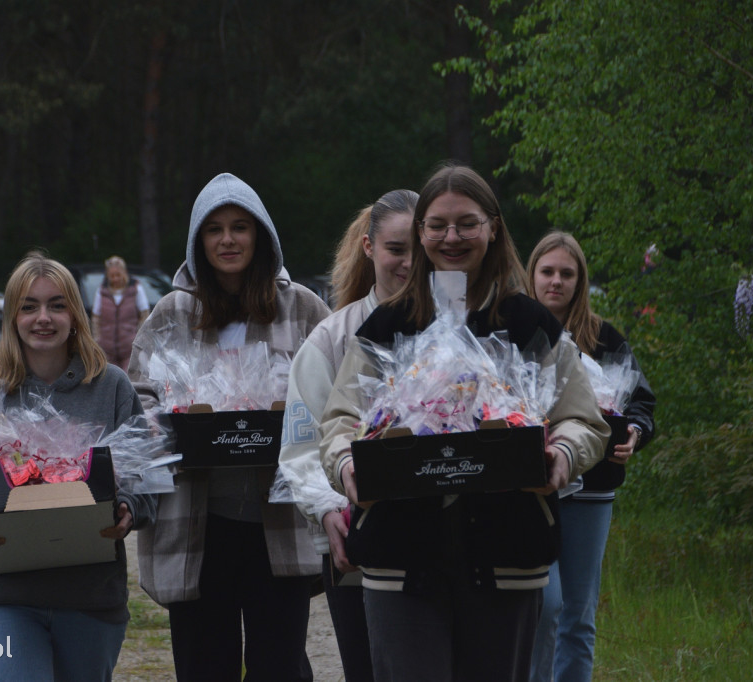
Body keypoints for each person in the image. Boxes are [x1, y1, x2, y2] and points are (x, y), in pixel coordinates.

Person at [319, 163, 609, 682]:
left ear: (493, 227)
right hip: (398, 559)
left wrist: (560, 458)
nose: (451, 237)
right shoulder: (387, 324)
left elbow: (582, 420)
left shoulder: (529, 324)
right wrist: (347, 467)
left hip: (507, 556)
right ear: (420, 233)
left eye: (467, 223)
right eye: (437, 225)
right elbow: (340, 419)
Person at [126, 172, 331, 681]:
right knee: (203, 664)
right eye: (214, 229)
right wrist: (164, 426)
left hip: (278, 523)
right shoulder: (172, 311)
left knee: (279, 664)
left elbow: (336, 391)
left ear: (261, 234)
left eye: (240, 226)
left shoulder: (302, 306)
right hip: (198, 520)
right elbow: (140, 394)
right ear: (199, 241)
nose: (228, 239)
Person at [0, 251, 156, 682]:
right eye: (29, 306)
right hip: (8, 595)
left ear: (76, 315)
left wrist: (130, 507)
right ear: (12, 317)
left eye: (57, 305)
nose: (44, 317)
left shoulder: (112, 386)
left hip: (91, 596)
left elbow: (146, 473)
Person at [279, 189, 418, 682]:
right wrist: (327, 510)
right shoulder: (332, 339)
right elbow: (300, 448)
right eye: (396, 249)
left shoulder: (462, 330)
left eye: (417, 249)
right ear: (368, 247)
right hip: (356, 544)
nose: (407, 263)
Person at [526, 231, 656, 682]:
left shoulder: (604, 337)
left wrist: (636, 432)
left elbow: (640, 400)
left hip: (594, 489)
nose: (556, 282)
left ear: (580, 280)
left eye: (567, 273)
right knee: (545, 606)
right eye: (547, 272)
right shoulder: (512, 330)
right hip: (532, 486)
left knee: (578, 616)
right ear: (532, 274)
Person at [91, 255, 150, 371]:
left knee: (128, 379)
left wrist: (140, 338)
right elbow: (96, 318)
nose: (115, 279)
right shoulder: (102, 290)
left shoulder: (135, 288)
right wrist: (97, 340)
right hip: (106, 349)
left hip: (129, 348)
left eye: (118, 275)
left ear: (124, 273)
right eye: (112, 276)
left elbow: (144, 314)